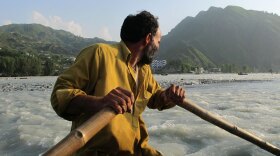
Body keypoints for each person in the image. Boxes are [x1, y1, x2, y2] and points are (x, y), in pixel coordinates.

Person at [51, 10, 185, 156]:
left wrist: (169, 96)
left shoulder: (143, 69)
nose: (158, 47)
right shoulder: (99, 53)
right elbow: (60, 93)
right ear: (148, 39)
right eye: (158, 41)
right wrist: (99, 103)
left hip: (138, 150)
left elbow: (155, 98)